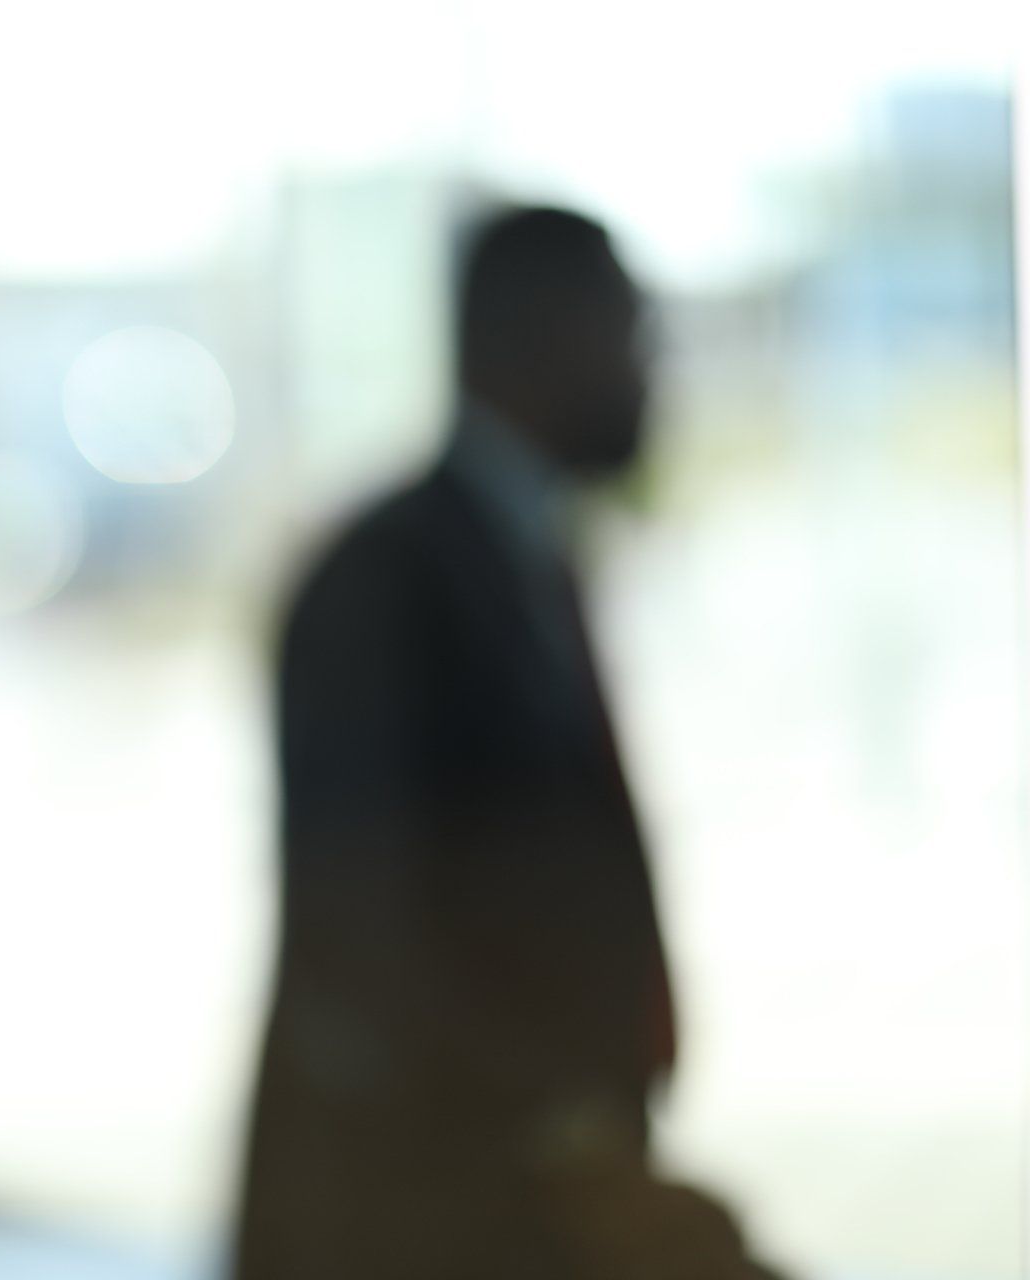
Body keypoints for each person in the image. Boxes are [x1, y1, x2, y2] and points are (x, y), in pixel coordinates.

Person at [234, 207, 778, 1278]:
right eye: (632, 332)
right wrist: (560, 1142)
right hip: (416, 1212)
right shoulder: (385, 577)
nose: (649, 370)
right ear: (544, 335)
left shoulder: (525, 552)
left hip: (523, 1189)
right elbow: (365, 928)